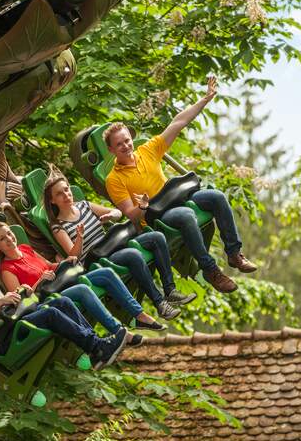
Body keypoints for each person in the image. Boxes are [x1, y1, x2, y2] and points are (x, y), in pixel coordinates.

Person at [103, 76, 258, 293]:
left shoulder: (147, 150)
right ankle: (211, 270)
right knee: (185, 215)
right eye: (119, 144)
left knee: (216, 196)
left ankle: (234, 254)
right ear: (111, 150)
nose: (126, 146)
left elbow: (178, 123)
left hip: (176, 197)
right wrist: (144, 206)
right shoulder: (113, 179)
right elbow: (131, 215)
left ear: (131, 138)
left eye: (127, 140)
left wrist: (205, 99)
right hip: (156, 216)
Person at [0, 239, 128, 370]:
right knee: (50, 313)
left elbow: (2, 302)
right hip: (5, 337)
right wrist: (0, 303)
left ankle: (96, 349)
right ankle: (98, 347)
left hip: (15, 317)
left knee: (61, 301)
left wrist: (19, 292)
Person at [42, 167, 197, 322]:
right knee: (133, 254)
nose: (66, 195)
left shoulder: (84, 205)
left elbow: (118, 213)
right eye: (59, 194)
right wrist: (80, 238)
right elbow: (74, 255)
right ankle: (160, 304)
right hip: (98, 260)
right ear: (52, 201)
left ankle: (170, 291)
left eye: (66, 189)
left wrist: (110, 215)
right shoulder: (58, 226)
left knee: (156, 237)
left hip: (114, 245)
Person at [0, 222, 158, 334]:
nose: (9, 239)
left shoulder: (25, 249)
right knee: (83, 289)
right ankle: (118, 331)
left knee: (106, 273)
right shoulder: (7, 269)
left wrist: (65, 262)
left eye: (9, 233)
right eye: (2, 238)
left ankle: (139, 316)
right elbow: (22, 301)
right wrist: (40, 281)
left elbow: (49, 266)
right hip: (49, 298)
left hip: (62, 282)